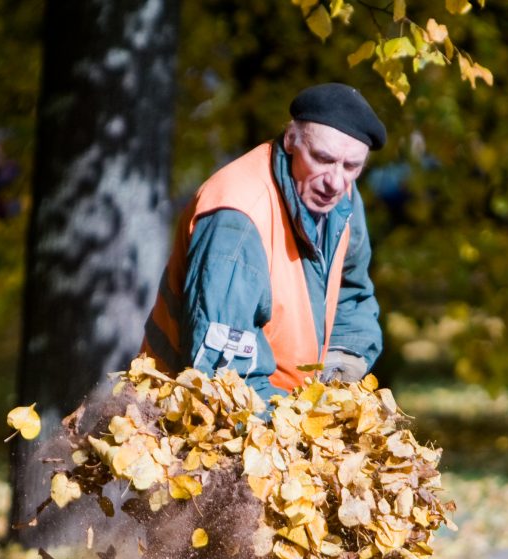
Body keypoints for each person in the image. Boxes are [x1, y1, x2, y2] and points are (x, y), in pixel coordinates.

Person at [140, 83, 386, 401]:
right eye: (322, 159)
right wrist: (291, 424)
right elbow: (222, 380)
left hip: (282, 406)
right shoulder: (237, 219)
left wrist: (343, 358)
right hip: (179, 413)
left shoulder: (341, 200)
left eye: (352, 166)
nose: (335, 181)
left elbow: (352, 293)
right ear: (291, 140)